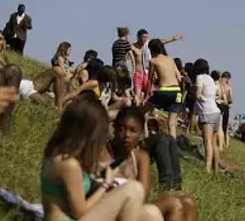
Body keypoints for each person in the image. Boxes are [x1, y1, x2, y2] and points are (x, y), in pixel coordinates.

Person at [40, 91, 163, 221]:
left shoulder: (62, 155)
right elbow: (80, 214)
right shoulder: (68, 164)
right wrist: (105, 185)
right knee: (134, 189)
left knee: (151, 213)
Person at [102, 107, 198, 221]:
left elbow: (143, 196)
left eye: (133, 131)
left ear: (141, 134)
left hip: (134, 209)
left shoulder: (140, 157)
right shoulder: (105, 152)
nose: (126, 135)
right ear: (114, 129)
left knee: (189, 202)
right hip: (111, 212)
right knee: (173, 204)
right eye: (121, 129)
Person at [143, 39, 183, 139]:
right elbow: (179, 77)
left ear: (151, 50)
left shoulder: (153, 61)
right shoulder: (170, 59)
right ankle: (173, 146)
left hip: (165, 91)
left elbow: (150, 80)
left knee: (142, 111)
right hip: (177, 91)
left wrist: (147, 95)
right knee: (172, 123)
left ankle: (145, 134)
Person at [191, 58, 221, 174]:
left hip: (207, 112)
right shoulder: (210, 79)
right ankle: (216, 170)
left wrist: (194, 93)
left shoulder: (199, 78)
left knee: (207, 141)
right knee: (213, 143)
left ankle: (207, 168)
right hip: (216, 112)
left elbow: (198, 94)